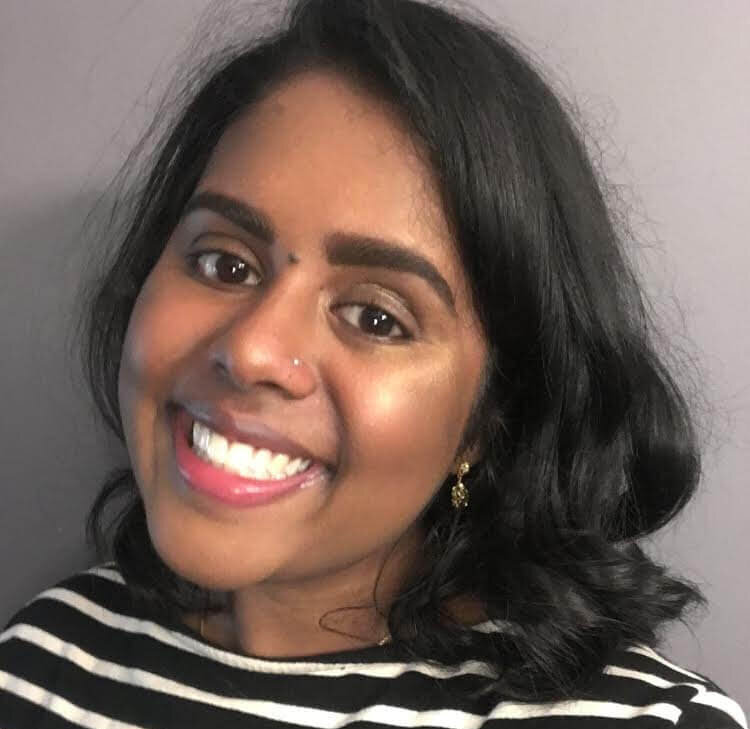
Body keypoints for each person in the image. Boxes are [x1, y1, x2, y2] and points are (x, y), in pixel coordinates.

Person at [0, 0, 746, 726]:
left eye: (376, 317)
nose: (252, 349)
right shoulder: (40, 663)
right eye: (225, 264)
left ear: (485, 421)